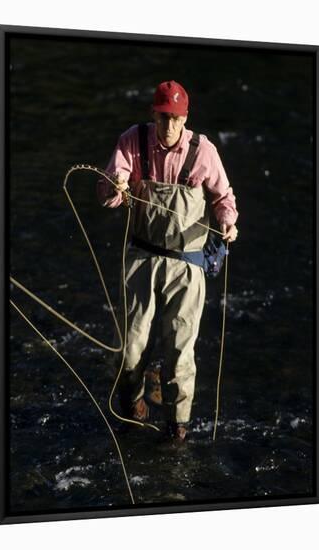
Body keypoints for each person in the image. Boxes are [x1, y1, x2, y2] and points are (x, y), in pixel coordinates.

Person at [97, 80, 239, 442]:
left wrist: (228, 223)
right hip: (142, 257)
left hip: (188, 264)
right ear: (153, 114)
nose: (169, 126)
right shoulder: (133, 140)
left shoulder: (202, 150)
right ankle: (133, 404)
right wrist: (116, 186)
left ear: (185, 117)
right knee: (129, 350)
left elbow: (223, 197)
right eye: (163, 117)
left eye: (175, 119)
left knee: (179, 353)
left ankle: (178, 427)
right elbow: (106, 196)